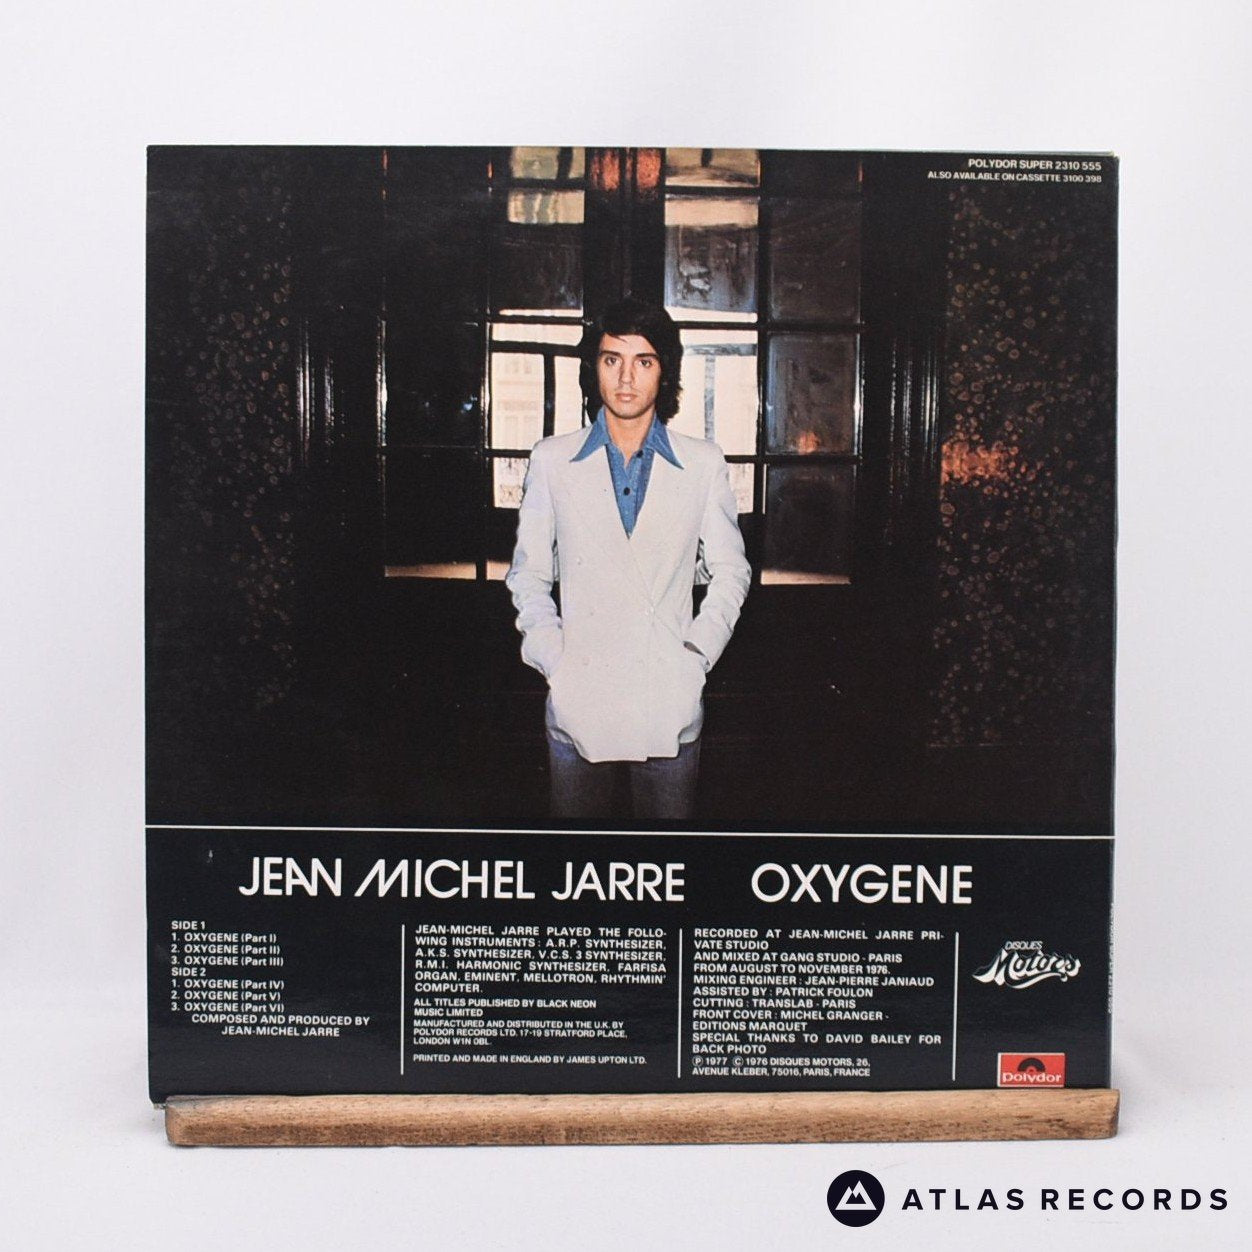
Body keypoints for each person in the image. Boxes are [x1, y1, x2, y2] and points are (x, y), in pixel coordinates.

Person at [506, 298, 751, 819]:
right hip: (581, 701)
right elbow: (529, 574)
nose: (625, 378)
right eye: (611, 359)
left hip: (666, 703)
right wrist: (554, 658)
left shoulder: (702, 464)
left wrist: (697, 655)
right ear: (593, 367)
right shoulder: (552, 460)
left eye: (644, 361)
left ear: (664, 372)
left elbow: (731, 571)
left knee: (665, 859)